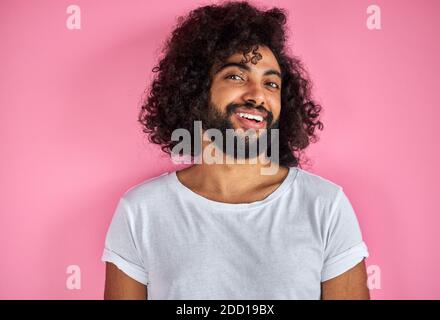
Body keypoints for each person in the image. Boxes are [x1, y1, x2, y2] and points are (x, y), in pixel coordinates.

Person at [102, 0, 370, 300]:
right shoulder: (141, 212)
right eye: (236, 76)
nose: (258, 95)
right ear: (197, 90)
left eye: (271, 83)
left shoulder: (325, 206)